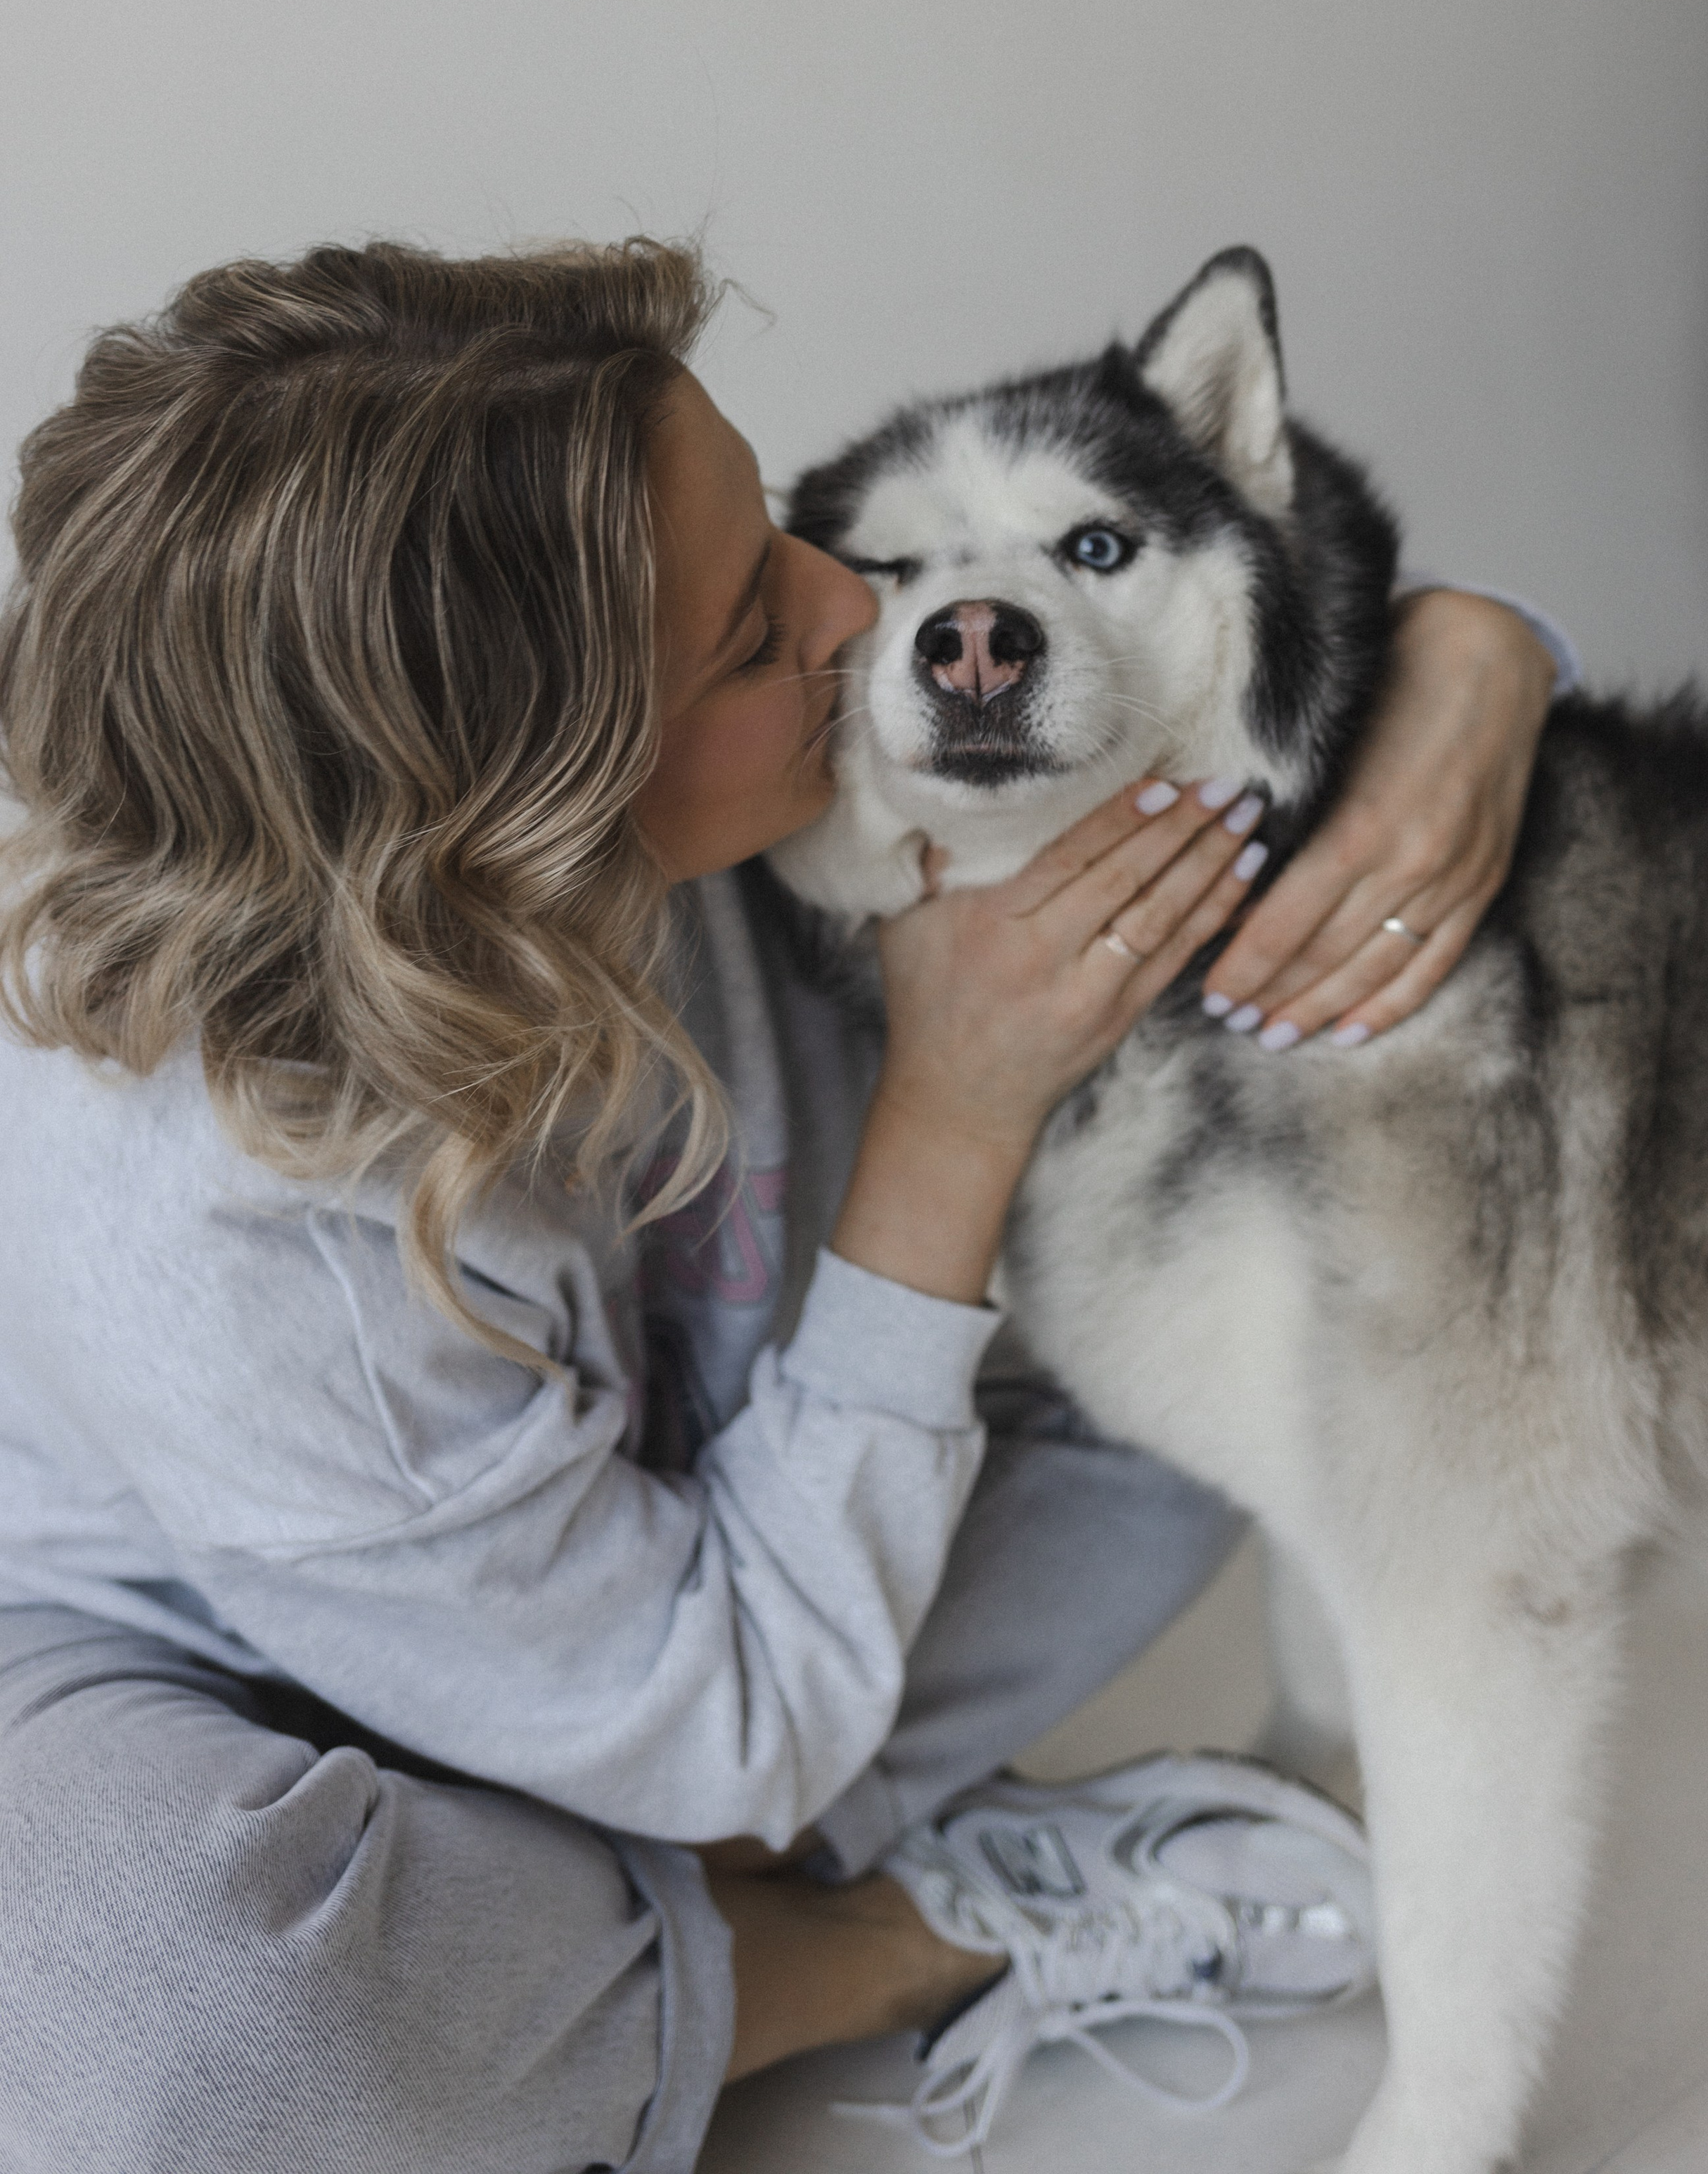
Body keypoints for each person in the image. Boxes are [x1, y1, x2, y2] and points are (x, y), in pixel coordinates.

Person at [0, 240, 1567, 2173]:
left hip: (717, 1534)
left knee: (1225, 1343)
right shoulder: (227, 1253)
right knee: (154, 1996)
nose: (856, 605)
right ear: (528, 821)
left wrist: (1476, 662)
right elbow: (731, 1731)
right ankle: (885, 1936)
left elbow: (1180, 639)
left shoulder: (759, 768)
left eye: (785, 535)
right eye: (759, 627)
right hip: (193, 1665)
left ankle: (553, 1940)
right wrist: (951, 1111)